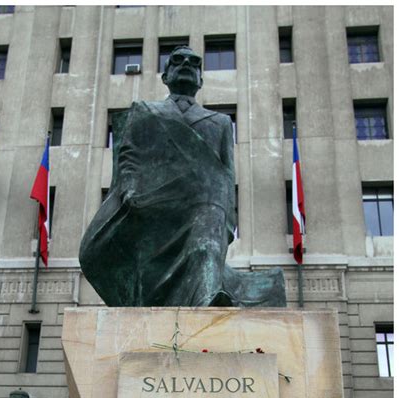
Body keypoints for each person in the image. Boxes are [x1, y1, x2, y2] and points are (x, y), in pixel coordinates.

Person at [79, 46, 285, 307]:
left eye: (194, 63)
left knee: (205, 245)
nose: (186, 63)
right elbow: (129, 156)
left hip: (202, 208)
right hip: (153, 209)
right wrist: (130, 189)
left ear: (201, 79)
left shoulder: (219, 122)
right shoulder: (145, 111)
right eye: (177, 61)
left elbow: (225, 176)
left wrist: (227, 223)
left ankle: (207, 300)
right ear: (165, 77)